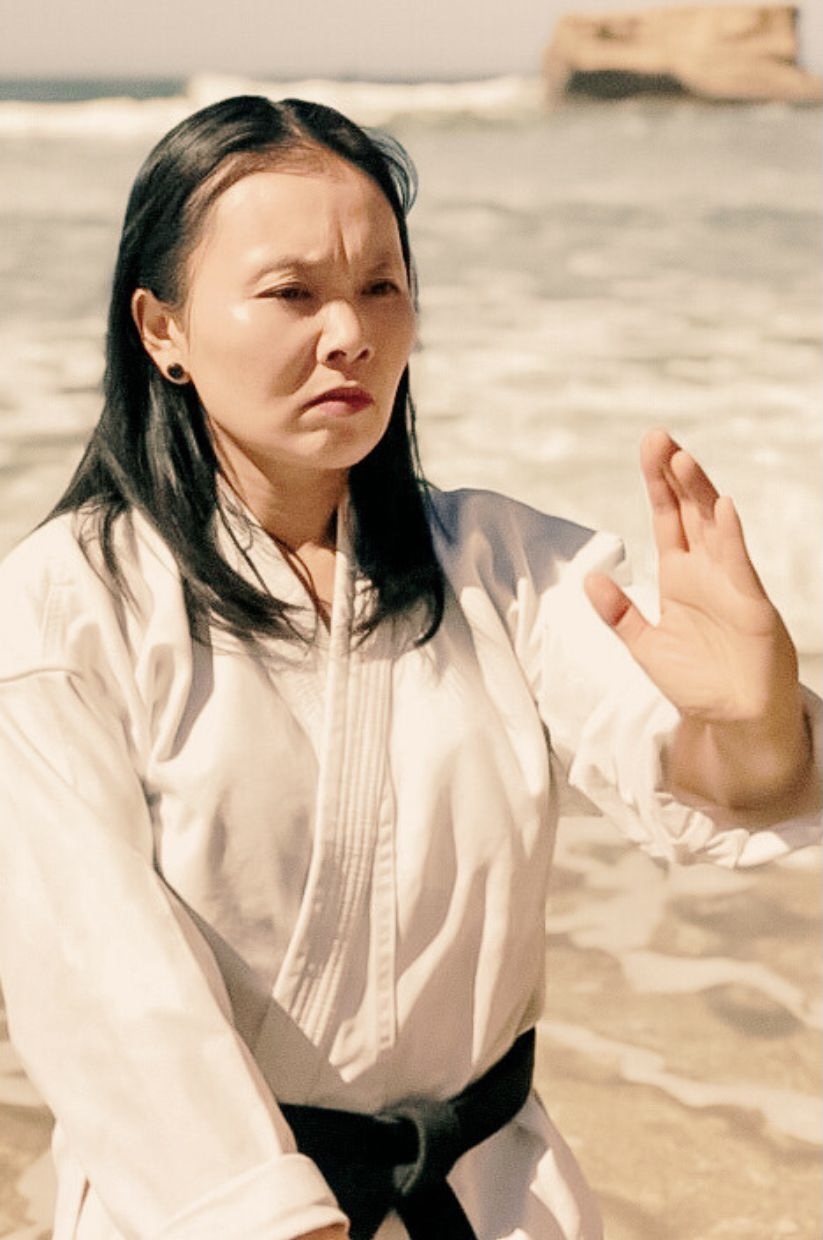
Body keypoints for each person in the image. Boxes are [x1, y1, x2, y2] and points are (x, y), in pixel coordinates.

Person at [0, 94, 819, 1240]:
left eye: (379, 286)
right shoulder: (60, 614)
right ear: (161, 328)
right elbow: (105, 992)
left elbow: (722, 784)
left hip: (489, 1201)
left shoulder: (503, 565)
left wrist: (755, 714)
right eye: (291, 292)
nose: (351, 332)